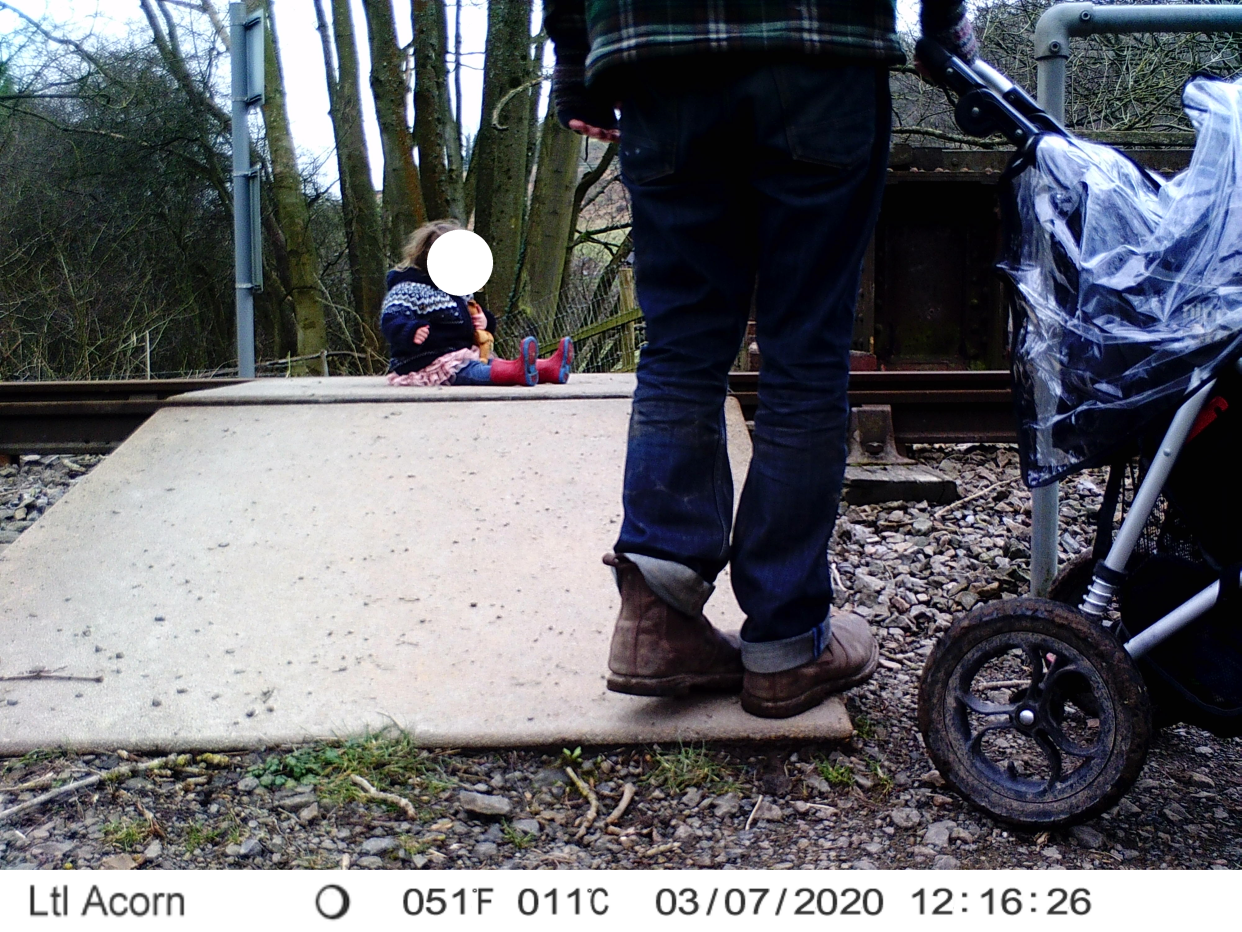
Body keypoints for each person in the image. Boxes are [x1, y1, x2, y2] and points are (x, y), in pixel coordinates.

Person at [545, 1, 977, 717]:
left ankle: (656, 620)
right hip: (819, 50)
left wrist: (576, 63)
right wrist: (942, 32)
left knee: (680, 346)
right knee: (804, 352)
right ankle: (786, 642)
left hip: (658, 56)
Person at [382, 219, 574, 387]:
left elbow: (469, 322)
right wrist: (409, 331)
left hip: (461, 354)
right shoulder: (409, 288)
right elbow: (390, 319)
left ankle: (549, 368)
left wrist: (485, 321)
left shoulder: (457, 290)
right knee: (473, 371)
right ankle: (517, 372)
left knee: (487, 363)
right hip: (425, 362)